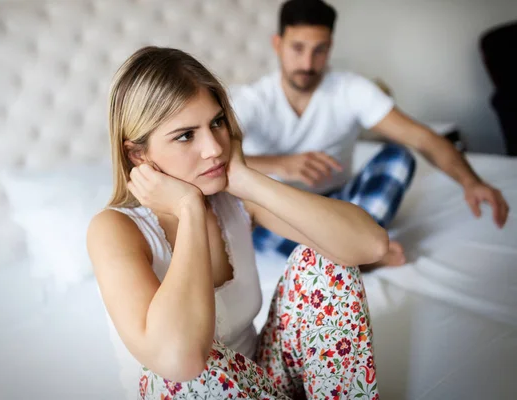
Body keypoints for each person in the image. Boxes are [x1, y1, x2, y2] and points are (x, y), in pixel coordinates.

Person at [87, 46, 389, 399]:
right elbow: (179, 362)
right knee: (180, 368)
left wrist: (247, 179)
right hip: (187, 388)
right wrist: (189, 211)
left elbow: (371, 245)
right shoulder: (114, 230)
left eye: (217, 123)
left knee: (325, 259)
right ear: (138, 154)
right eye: (186, 135)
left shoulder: (233, 198)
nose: (214, 147)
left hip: (263, 381)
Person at [230, 0, 510, 267]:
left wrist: (471, 182)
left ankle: (343, 251)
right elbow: (217, 160)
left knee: (399, 158)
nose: (308, 63)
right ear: (278, 45)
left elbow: (422, 138)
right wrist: (280, 164)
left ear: (330, 47)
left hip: (343, 201)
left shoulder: (350, 88)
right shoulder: (252, 100)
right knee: (249, 211)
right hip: (282, 210)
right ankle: (360, 256)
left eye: (320, 50)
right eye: (298, 48)